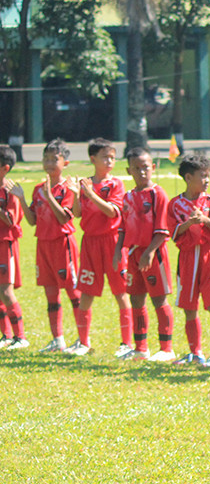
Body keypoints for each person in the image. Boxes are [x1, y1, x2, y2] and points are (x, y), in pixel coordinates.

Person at [14, 139, 80, 353]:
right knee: (50, 294)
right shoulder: (37, 189)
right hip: (43, 245)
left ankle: (82, 338)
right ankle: (57, 339)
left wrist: (50, 196)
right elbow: (32, 220)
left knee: (73, 293)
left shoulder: (67, 188)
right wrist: (23, 199)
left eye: (55, 159)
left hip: (63, 244)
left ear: (66, 163)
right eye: (46, 158)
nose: (49, 163)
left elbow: (64, 219)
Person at [71, 138, 132, 357]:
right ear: (92, 159)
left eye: (113, 158)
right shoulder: (84, 184)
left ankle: (126, 343)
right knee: (86, 291)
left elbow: (112, 212)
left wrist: (90, 194)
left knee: (120, 291)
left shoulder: (115, 184)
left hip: (112, 241)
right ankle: (83, 342)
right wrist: (76, 195)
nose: (109, 161)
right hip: (90, 242)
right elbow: (77, 213)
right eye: (105, 157)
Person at [168, 154, 210, 367]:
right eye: (202, 176)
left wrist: (204, 220)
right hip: (186, 259)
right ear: (187, 177)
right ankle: (195, 353)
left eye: (208, 176)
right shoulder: (175, 204)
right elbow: (173, 232)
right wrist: (188, 223)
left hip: (209, 256)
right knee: (189, 307)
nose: (206, 180)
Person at [114, 146, 174, 361]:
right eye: (136, 168)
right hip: (132, 255)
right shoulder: (127, 196)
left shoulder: (157, 193)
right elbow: (122, 227)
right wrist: (117, 251)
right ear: (128, 170)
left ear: (153, 168)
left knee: (159, 300)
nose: (141, 172)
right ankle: (141, 348)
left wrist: (149, 252)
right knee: (137, 300)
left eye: (145, 168)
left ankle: (166, 348)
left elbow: (162, 229)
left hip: (153, 254)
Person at [0, 146, 26, 350]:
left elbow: (12, 220)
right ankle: (6, 335)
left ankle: (20, 336)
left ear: (4, 168)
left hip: (4, 244)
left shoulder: (10, 192)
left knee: (6, 291)